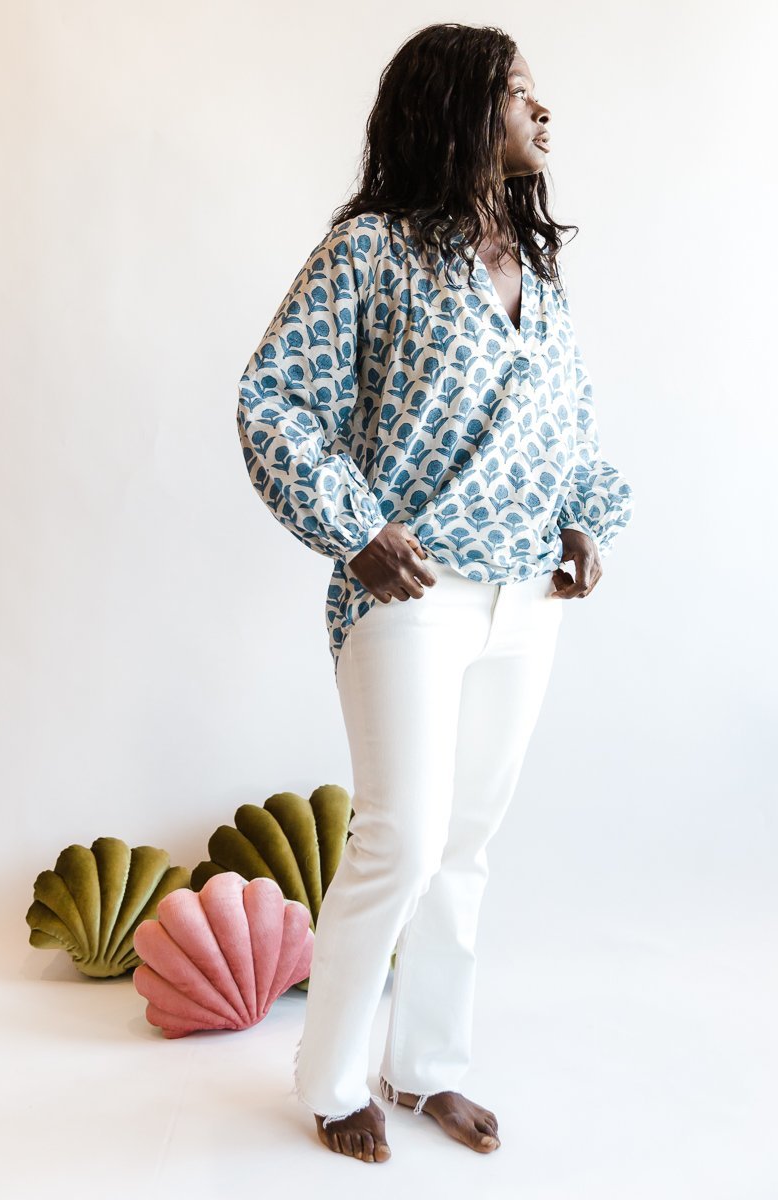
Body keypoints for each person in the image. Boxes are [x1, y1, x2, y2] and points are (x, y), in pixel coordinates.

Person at [236, 22, 634, 1164]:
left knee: (466, 844)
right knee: (400, 840)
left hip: (527, 597)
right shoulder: (369, 253)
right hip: (411, 596)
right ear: (455, 107)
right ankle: (329, 1081)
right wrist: (354, 529)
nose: (541, 111)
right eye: (517, 92)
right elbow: (272, 401)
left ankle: (423, 1069)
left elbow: (570, 428)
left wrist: (586, 521)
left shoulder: (540, 275)